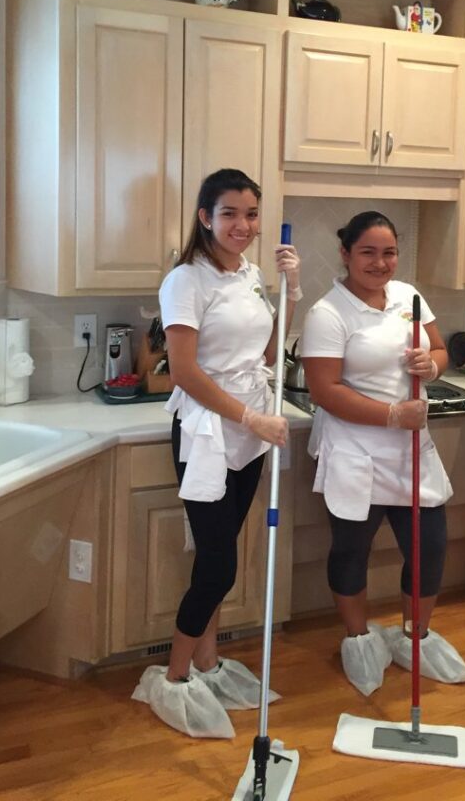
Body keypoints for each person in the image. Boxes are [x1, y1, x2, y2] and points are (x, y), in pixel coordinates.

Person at [132, 169, 301, 737]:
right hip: (208, 431)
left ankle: (207, 664)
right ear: (205, 216)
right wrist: (250, 416)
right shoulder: (186, 280)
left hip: (248, 432)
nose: (243, 225)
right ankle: (175, 677)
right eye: (230, 213)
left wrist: (290, 293)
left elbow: (271, 352)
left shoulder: (252, 274)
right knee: (220, 565)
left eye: (251, 214)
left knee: (218, 555)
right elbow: (183, 371)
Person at [300, 211, 465, 696]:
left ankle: (414, 636)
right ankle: (358, 638)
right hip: (355, 449)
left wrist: (432, 365)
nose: (380, 263)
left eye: (389, 252)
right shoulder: (327, 314)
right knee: (352, 548)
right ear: (346, 254)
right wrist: (392, 415)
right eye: (368, 252)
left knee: (430, 544)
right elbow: (324, 390)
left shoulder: (408, 297)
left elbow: (439, 351)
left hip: (410, 447)